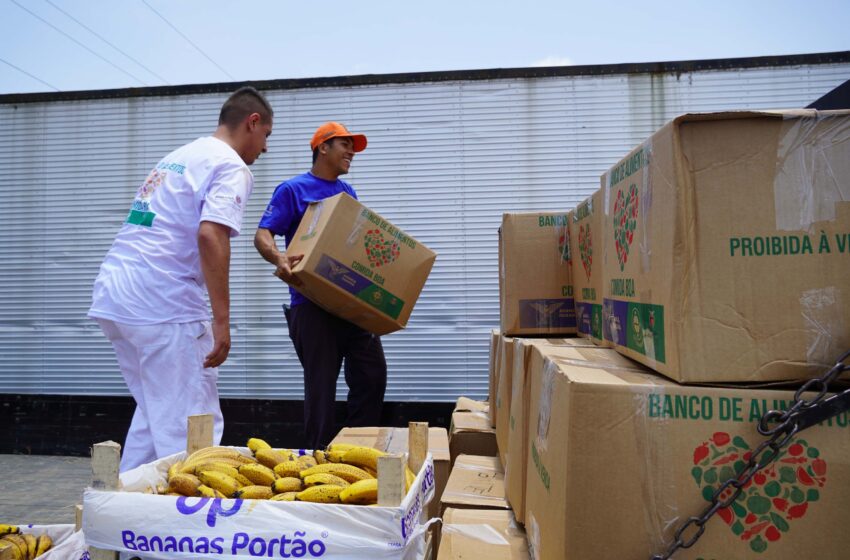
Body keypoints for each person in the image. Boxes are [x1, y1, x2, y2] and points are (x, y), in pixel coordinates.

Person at [88, 86, 274, 472]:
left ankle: (123, 512)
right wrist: (221, 322)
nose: (265, 149)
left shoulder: (181, 155)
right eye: (266, 136)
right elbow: (211, 234)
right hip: (163, 302)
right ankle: (188, 525)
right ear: (252, 123)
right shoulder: (230, 165)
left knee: (158, 414)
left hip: (118, 297)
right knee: (193, 427)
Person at [254, 122, 388, 450]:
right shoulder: (293, 190)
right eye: (345, 145)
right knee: (321, 391)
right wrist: (279, 258)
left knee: (372, 376)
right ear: (323, 148)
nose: (352, 152)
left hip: (349, 303)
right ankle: (318, 464)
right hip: (311, 305)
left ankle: (357, 452)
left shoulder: (348, 193)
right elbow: (263, 234)